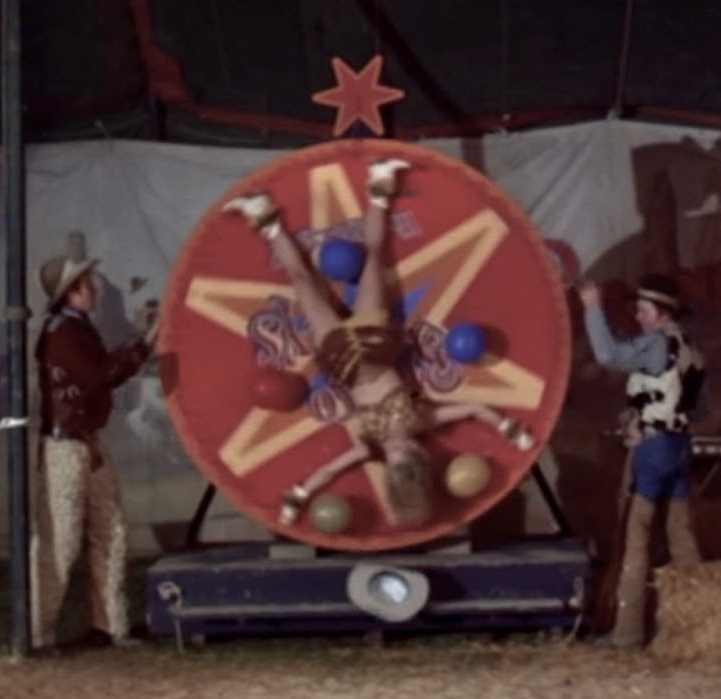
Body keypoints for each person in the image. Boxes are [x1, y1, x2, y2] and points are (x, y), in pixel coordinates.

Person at [222, 158, 536, 529]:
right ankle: (381, 180)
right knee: (374, 255)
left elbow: (329, 471)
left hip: (339, 352)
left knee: (301, 279)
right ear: (419, 456)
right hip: (375, 338)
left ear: (389, 468)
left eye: (397, 458)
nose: (400, 448)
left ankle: (261, 213)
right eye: (409, 454)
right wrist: (512, 432)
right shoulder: (421, 421)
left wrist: (297, 500)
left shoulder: (369, 447)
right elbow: (475, 409)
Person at [30, 249, 157, 652]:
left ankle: (109, 624)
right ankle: (37, 631)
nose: (93, 288)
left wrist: (139, 345)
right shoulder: (63, 333)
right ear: (69, 293)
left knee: (109, 528)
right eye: (83, 284)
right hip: (65, 445)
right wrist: (143, 344)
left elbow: (100, 374)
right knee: (61, 540)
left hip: (84, 441)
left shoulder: (76, 329)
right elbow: (99, 376)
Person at [577, 273, 706, 647]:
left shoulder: (655, 343)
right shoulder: (689, 347)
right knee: (682, 538)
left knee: (635, 537)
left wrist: (593, 308)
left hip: (652, 451)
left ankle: (627, 632)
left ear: (662, 313)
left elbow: (608, 354)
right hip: (680, 447)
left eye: (644, 310)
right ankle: (697, 626)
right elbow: (699, 404)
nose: (638, 317)